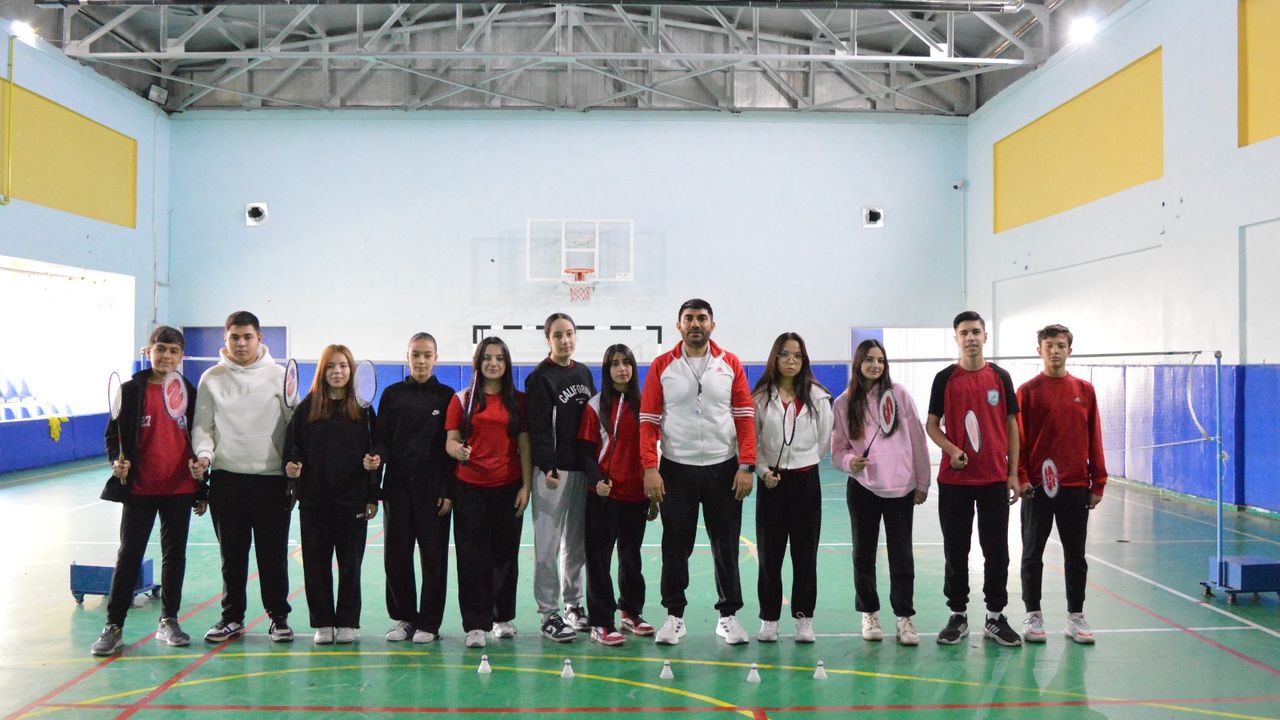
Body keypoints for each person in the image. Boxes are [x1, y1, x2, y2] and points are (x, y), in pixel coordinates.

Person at [640, 298, 757, 646]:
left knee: (726, 547)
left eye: (702, 318)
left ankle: (728, 617)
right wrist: (650, 468)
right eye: (689, 318)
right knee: (675, 546)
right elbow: (648, 421)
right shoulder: (662, 365)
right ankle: (674, 617)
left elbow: (745, 418)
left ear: (712, 325)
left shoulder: (730, 363)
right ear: (679, 325)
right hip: (677, 469)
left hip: (724, 469)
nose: (695, 323)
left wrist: (746, 465)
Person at [91, 326, 205, 656]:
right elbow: (112, 436)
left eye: (173, 350)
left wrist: (201, 486)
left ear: (181, 356)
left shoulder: (189, 392)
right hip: (140, 489)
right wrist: (116, 461)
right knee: (129, 555)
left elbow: (199, 439)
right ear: (148, 351)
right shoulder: (130, 391)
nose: (166, 356)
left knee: (175, 556)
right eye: (161, 349)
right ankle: (113, 625)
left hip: (179, 488)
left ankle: (169, 620)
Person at [190, 311, 294, 644]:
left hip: (272, 481)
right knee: (232, 557)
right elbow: (202, 426)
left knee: (272, 555)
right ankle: (232, 618)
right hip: (227, 479)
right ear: (226, 339)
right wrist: (204, 456)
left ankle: (278, 617)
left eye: (248, 337)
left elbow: (294, 425)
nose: (241, 343)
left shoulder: (280, 376)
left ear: (259, 338)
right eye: (234, 337)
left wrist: (294, 466)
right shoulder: (211, 378)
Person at [926, 310, 1023, 647]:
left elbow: (1012, 425)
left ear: (985, 337)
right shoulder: (944, 379)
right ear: (956, 338)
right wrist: (952, 450)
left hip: (994, 479)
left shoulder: (1000, 377)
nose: (971, 337)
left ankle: (995, 617)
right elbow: (931, 425)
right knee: (956, 550)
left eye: (976, 332)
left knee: (997, 551)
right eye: (964, 332)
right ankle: (958, 615)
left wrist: (1013, 473)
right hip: (954, 482)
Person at [831, 339, 931, 646]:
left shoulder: (899, 394)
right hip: (863, 489)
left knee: (902, 557)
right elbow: (837, 450)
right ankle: (869, 613)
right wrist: (850, 461)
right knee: (863, 554)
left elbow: (918, 438)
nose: (875, 365)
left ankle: (904, 617)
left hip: (901, 489)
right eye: (869, 359)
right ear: (858, 363)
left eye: (880, 360)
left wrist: (923, 482)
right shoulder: (844, 402)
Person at [1016, 324, 1106, 644]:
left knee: (1076, 555)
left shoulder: (1085, 390)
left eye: (1060, 345)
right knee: (1032, 554)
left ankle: (1075, 617)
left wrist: (1098, 482)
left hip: (1075, 486)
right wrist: (1021, 477)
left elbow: (1094, 436)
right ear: (1039, 350)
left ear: (1070, 350)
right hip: (1036, 488)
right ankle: (1033, 615)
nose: (1054, 350)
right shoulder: (1026, 392)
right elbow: (1019, 441)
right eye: (1049, 345)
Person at [284, 344, 381, 645]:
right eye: (330, 366)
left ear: (351, 371)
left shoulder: (363, 410)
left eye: (343, 366)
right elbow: (292, 448)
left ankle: (347, 622)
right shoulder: (306, 408)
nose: (337, 372)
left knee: (351, 565)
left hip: (352, 500)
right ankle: (323, 622)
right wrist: (292, 466)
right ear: (321, 371)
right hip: (314, 500)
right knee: (316, 564)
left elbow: (376, 452)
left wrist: (372, 493)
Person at [445, 336, 532, 649]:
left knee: (505, 556)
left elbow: (524, 445)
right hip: (469, 489)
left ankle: (502, 617)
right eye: (487, 358)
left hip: (508, 487)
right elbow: (450, 440)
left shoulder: (518, 401)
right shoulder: (462, 399)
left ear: (506, 363)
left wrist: (526, 486)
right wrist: (457, 451)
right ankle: (475, 624)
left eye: (499, 358)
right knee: (471, 558)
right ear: (478, 363)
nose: (493, 363)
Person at [751, 332, 833, 644]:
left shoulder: (818, 398)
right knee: (769, 557)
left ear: (804, 360)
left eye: (797, 356)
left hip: (806, 484)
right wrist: (763, 472)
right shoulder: (760, 398)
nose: (791, 361)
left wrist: (803, 463)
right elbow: (751, 441)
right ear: (775, 358)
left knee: (805, 556)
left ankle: (804, 619)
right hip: (771, 485)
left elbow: (823, 441)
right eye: (785, 354)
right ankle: (769, 619)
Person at [375, 333, 455, 644]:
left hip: (433, 491)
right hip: (396, 488)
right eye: (415, 354)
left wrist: (448, 490)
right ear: (407, 357)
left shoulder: (447, 396)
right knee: (396, 556)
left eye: (427, 355)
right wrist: (376, 470)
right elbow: (381, 441)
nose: (421, 361)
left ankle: (429, 623)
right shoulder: (392, 395)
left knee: (434, 559)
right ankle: (405, 618)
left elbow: (451, 448)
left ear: (436, 358)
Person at [577, 344, 655, 646]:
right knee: (599, 560)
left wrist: (653, 496)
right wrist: (597, 481)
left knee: (631, 557)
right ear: (606, 370)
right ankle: (600, 622)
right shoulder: (596, 406)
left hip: (637, 495)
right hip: (604, 495)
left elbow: (652, 450)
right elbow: (585, 451)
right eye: (615, 364)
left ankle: (631, 612)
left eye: (626, 363)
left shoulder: (645, 405)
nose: (622, 369)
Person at [526, 313, 596, 643]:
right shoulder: (540, 378)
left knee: (576, 544)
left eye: (569, 333)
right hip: (553, 473)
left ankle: (573, 605)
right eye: (558, 335)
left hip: (581, 470)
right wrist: (547, 465)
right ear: (548, 340)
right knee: (547, 545)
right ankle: (547, 613)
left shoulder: (583, 372)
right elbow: (538, 428)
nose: (565, 340)